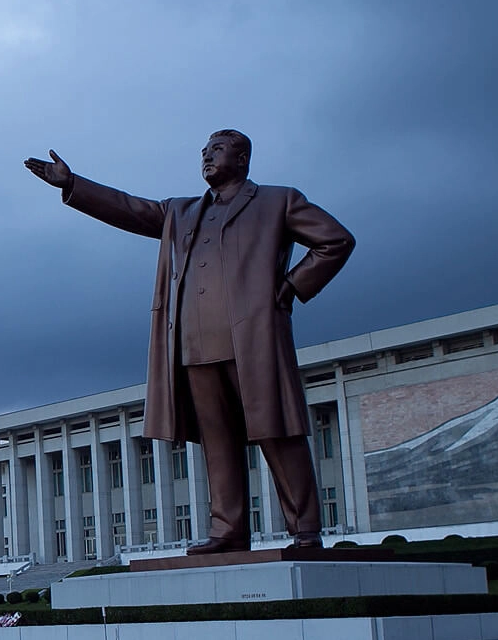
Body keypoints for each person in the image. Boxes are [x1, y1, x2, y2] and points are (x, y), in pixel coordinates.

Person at [25, 131, 353, 554]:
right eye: (204, 152)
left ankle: (304, 529)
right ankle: (228, 531)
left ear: (242, 158)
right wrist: (73, 184)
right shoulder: (180, 212)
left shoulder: (278, 201)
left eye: (217, 150)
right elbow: (129, 208)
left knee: (277, 432)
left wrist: (289, 289)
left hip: (253, 340)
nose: (207, 157)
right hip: (194, 346)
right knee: (217, 442)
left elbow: (335, 240)